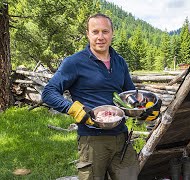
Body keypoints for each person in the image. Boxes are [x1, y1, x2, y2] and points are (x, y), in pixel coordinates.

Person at [42, 13, 140, 180]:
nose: (100, 37)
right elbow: (48, 92)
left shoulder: (120, 62)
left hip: (121, 138)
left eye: (105, 31)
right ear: (88, 34)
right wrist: (74, 109)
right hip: (92, 140)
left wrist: (141, 107)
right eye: (95, 32)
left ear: (112, 33)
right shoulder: (74, 62)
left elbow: (128, 94)